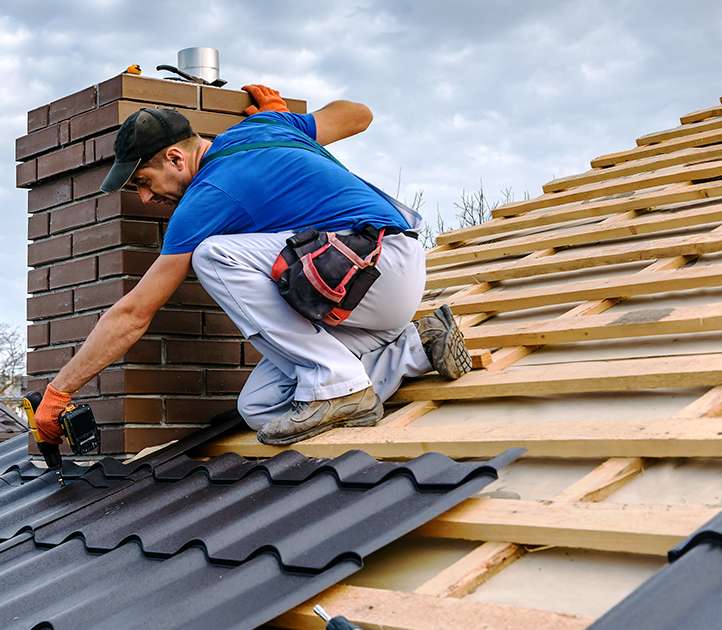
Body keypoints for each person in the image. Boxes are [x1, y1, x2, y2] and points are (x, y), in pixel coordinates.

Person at [31, 84, 470, 448]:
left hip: (375, 265)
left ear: (176, 159)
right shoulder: (267, 125)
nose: (146, 199)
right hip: (370, 293)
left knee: (214, 254)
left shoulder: (207, 196)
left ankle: (339, 384)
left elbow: (133, 313)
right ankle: (416, 347)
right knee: (260, 407)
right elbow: (359, 114)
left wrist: (60, 390)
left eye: (143, 182)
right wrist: (291, 124)